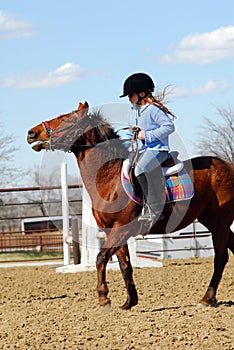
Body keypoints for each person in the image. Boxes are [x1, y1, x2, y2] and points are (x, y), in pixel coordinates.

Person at [120, 72, 175, 223]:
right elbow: (132, 133)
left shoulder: (153, 110)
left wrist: (148, 136)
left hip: (158, 150)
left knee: (140, 170)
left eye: (131, 95)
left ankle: (155, 209)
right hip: (142, 151)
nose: (129, 99)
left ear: (142, 93)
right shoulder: (133, 112)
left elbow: (169, 127)